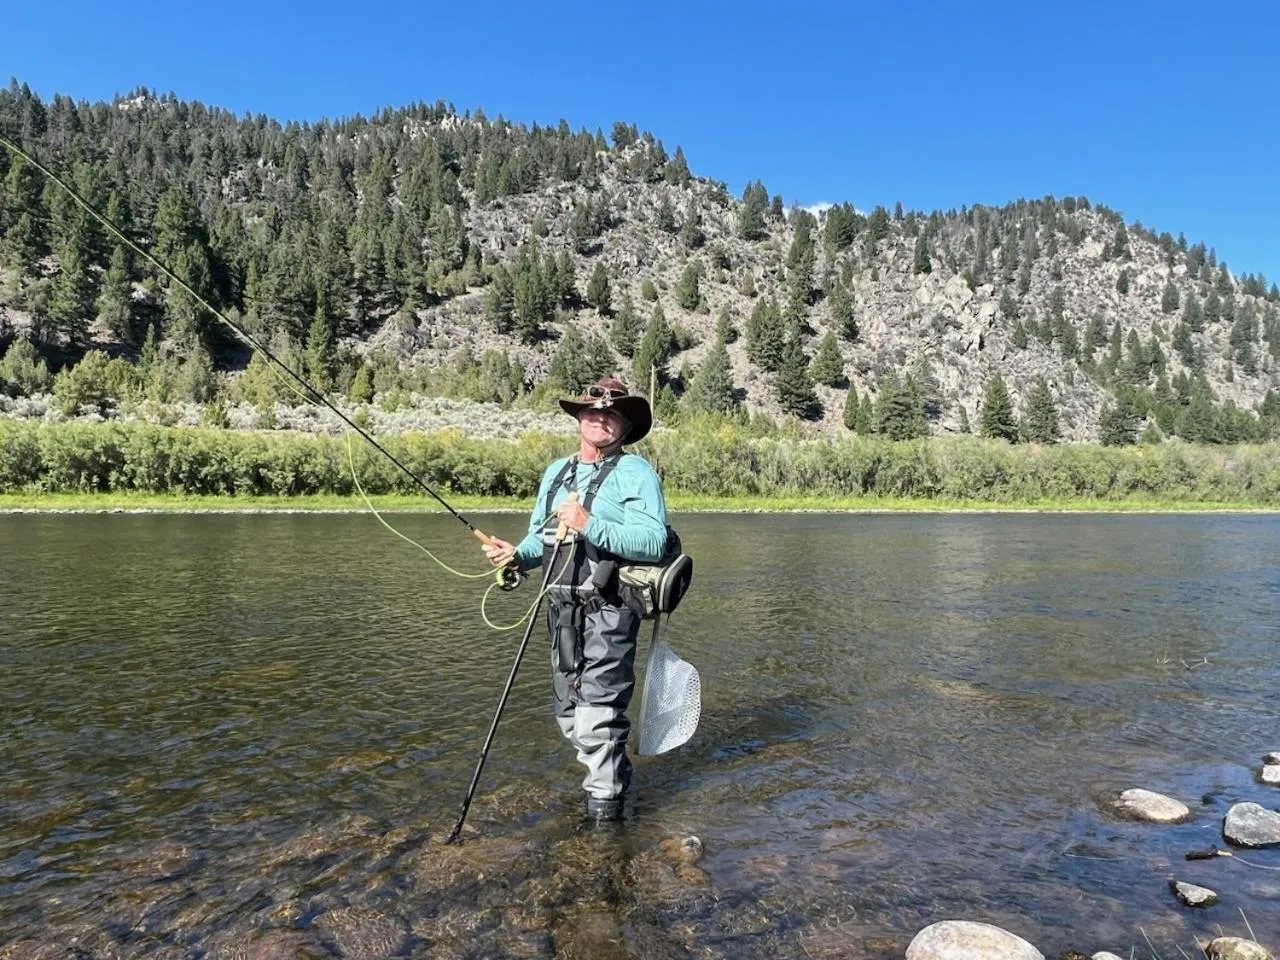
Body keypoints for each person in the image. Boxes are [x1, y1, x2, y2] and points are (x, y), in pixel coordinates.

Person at [482, 377, 668, 822]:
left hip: (611, 610)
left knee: (596, 718)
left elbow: (654, 542)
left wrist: (589, 523)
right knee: (569, 715)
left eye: (612, 413)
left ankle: (606, 818)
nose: (601, 418)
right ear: (580, 417)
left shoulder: (636, 473)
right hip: (560, 609)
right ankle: (616, 781)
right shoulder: (556, 472)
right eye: (593, 411)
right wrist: (516, 554)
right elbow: (540, 538)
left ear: (626, 427)